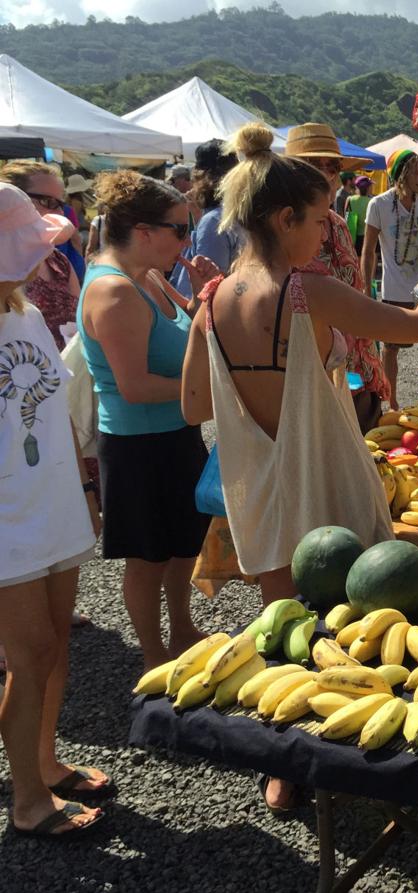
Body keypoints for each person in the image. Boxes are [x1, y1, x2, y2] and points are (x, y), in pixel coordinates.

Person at [180, 124, 418, 813]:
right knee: (359, 634)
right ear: (284, 220)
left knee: (285, 633)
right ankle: (361, 761)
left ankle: (287, 773)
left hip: (260, 495)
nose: (326, 231)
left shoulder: (215, 297)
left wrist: (205, 318)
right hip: (331, 487)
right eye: (318, 219)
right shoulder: (309, 292)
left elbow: (195, 401)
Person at [75, 171, 219, 670]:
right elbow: (133, 387)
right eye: (181, 230)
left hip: (175, 434)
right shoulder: (115, 292)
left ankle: (181, 628)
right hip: (140, 446)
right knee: (148, 557)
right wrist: (210, 397)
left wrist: (204, 296)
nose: (187, 241)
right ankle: (153, 654)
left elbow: (194, 335)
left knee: (183, 544)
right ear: (143, 231)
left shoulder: (149, 276)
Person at [0, 184, 108, 837]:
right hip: (8, 516)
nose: (43, 254)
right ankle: (28, 800)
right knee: (30, 649)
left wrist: (87, 496)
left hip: (53, 502)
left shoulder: (27, 316)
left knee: (57, 640)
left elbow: (59, 412)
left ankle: (43, 762)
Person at [283, 123, 390, 428]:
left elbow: (356, 296)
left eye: (333, 166)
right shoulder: (282, 229)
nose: (328, 174)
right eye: (317, 166)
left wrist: (375, 371)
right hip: (315, 382)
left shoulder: (339, 224)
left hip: (360, 376)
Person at [362, 149, 418, 399]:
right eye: (416, 172)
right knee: (391, 348)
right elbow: (368, 252)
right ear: (402, 174)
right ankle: (393, 400)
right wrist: (367, 291)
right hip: (394, 288)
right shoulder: (379, 205)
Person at [170, 139, 242, 300]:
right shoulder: (234, 213)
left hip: (202, 312)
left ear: (200, 176)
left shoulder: (214, 220)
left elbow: (207, 284)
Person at [0, 162, 86, 281]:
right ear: (12, 199)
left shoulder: (60, 262)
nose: (61, 213)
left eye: (61, 204)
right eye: (47, 201)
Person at [345, 177, 372, 256]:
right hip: (367, 235)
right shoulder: (371, 201)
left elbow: (346, 216)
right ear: (368, 188)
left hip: (353, 235)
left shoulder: (350, 199)